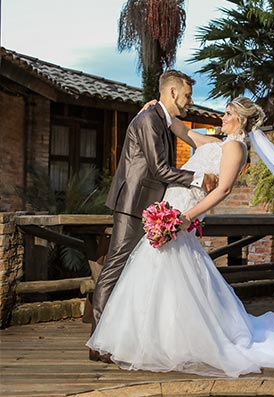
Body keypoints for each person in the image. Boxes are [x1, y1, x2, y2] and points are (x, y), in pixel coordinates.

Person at [86, 97, 274, 377]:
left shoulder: (236, 148)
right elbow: (184, 131)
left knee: (165, 274)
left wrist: (187, 217)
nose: (222, 118)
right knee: (155, 276)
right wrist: (156, 108)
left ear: (241, 120)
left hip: (180, 217)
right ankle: (148, 336)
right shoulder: (217, 144)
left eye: (228, 114)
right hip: (169, 212)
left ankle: (166, 340)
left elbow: (222, 190)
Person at [89, 70, 218, 363]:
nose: (190, 101)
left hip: (147, 204)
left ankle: (120, 336)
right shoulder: (148, 120)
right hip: (133, 204)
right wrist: (199, 179)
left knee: (134, 270)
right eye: (187, 95)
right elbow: (159, 169)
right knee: (115, 267)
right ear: (172, 92)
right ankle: (98, 342)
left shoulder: (161, 119)